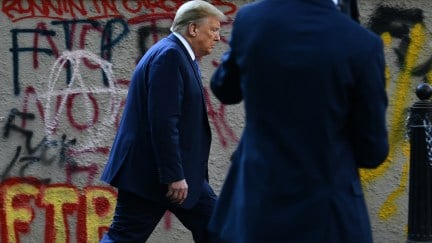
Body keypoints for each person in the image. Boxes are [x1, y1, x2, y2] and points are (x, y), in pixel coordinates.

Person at [208, 0, 389, 242]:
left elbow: (224, 89)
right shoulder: (362, 43)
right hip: (327, 217)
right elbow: (372, 152)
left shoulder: (251, 20)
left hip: (256, 208)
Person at [99, 1, 226, 242]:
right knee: (124, 237)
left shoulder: (175, 54)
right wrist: (173, 175)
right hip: (156, 175)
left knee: (219, 229)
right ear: (193, 29)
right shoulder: (170, 56)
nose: (218, 38)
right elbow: (163, 120)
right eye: (213, 29)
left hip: (176, 174)